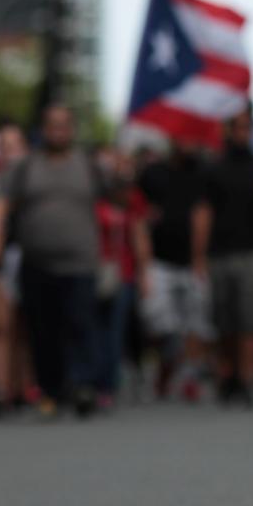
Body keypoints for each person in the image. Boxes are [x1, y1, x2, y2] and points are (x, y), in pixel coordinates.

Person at [0, 103, 102, 417]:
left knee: (80, 325)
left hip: (80, 262)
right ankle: (50, 391)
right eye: (52, 125)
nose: (58, 132)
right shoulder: (26, 167)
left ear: (72, 130)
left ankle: (82, 386)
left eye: (64, 125)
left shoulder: (87, 165)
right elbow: (2, 205)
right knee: (43, 331)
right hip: (37, 262)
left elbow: (117, 199)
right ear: (43, 129)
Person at [201, 107, 253, 406]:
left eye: (247, 127)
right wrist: (199, 256)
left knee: (251, 321)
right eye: (238, 127)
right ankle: (226, 377)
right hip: (221, 254)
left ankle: (247, 380)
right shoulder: (215, 167)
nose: (243, 133)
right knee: (225, 322)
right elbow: (204, 213)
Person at [136, 142, 210, 400]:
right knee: (158, 323)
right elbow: (139, 216)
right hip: (159, 262)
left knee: (196, 323)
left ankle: (190, 376)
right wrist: (143, 264)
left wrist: (200, 259)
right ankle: (166, 365)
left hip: (192, 264)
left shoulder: (203, 173)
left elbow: (204, 215)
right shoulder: (153, 173)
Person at [95, 150, 151, 407]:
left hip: (123, 273)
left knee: (115, 331)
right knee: (93, 329)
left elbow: (140, 237)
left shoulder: (133, 200)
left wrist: (143, 274)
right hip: (94, 271)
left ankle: (109, 383)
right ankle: (91, 379)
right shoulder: (95, 197)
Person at [0, 121, 30, 410]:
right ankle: (0, 388)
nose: (9, 152)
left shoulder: (36, 177)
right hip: (2, 258)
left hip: (31, 255)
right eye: (4, 146)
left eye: (14, 145)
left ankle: (25, 387)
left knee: (26, 327)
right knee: (1, 326)